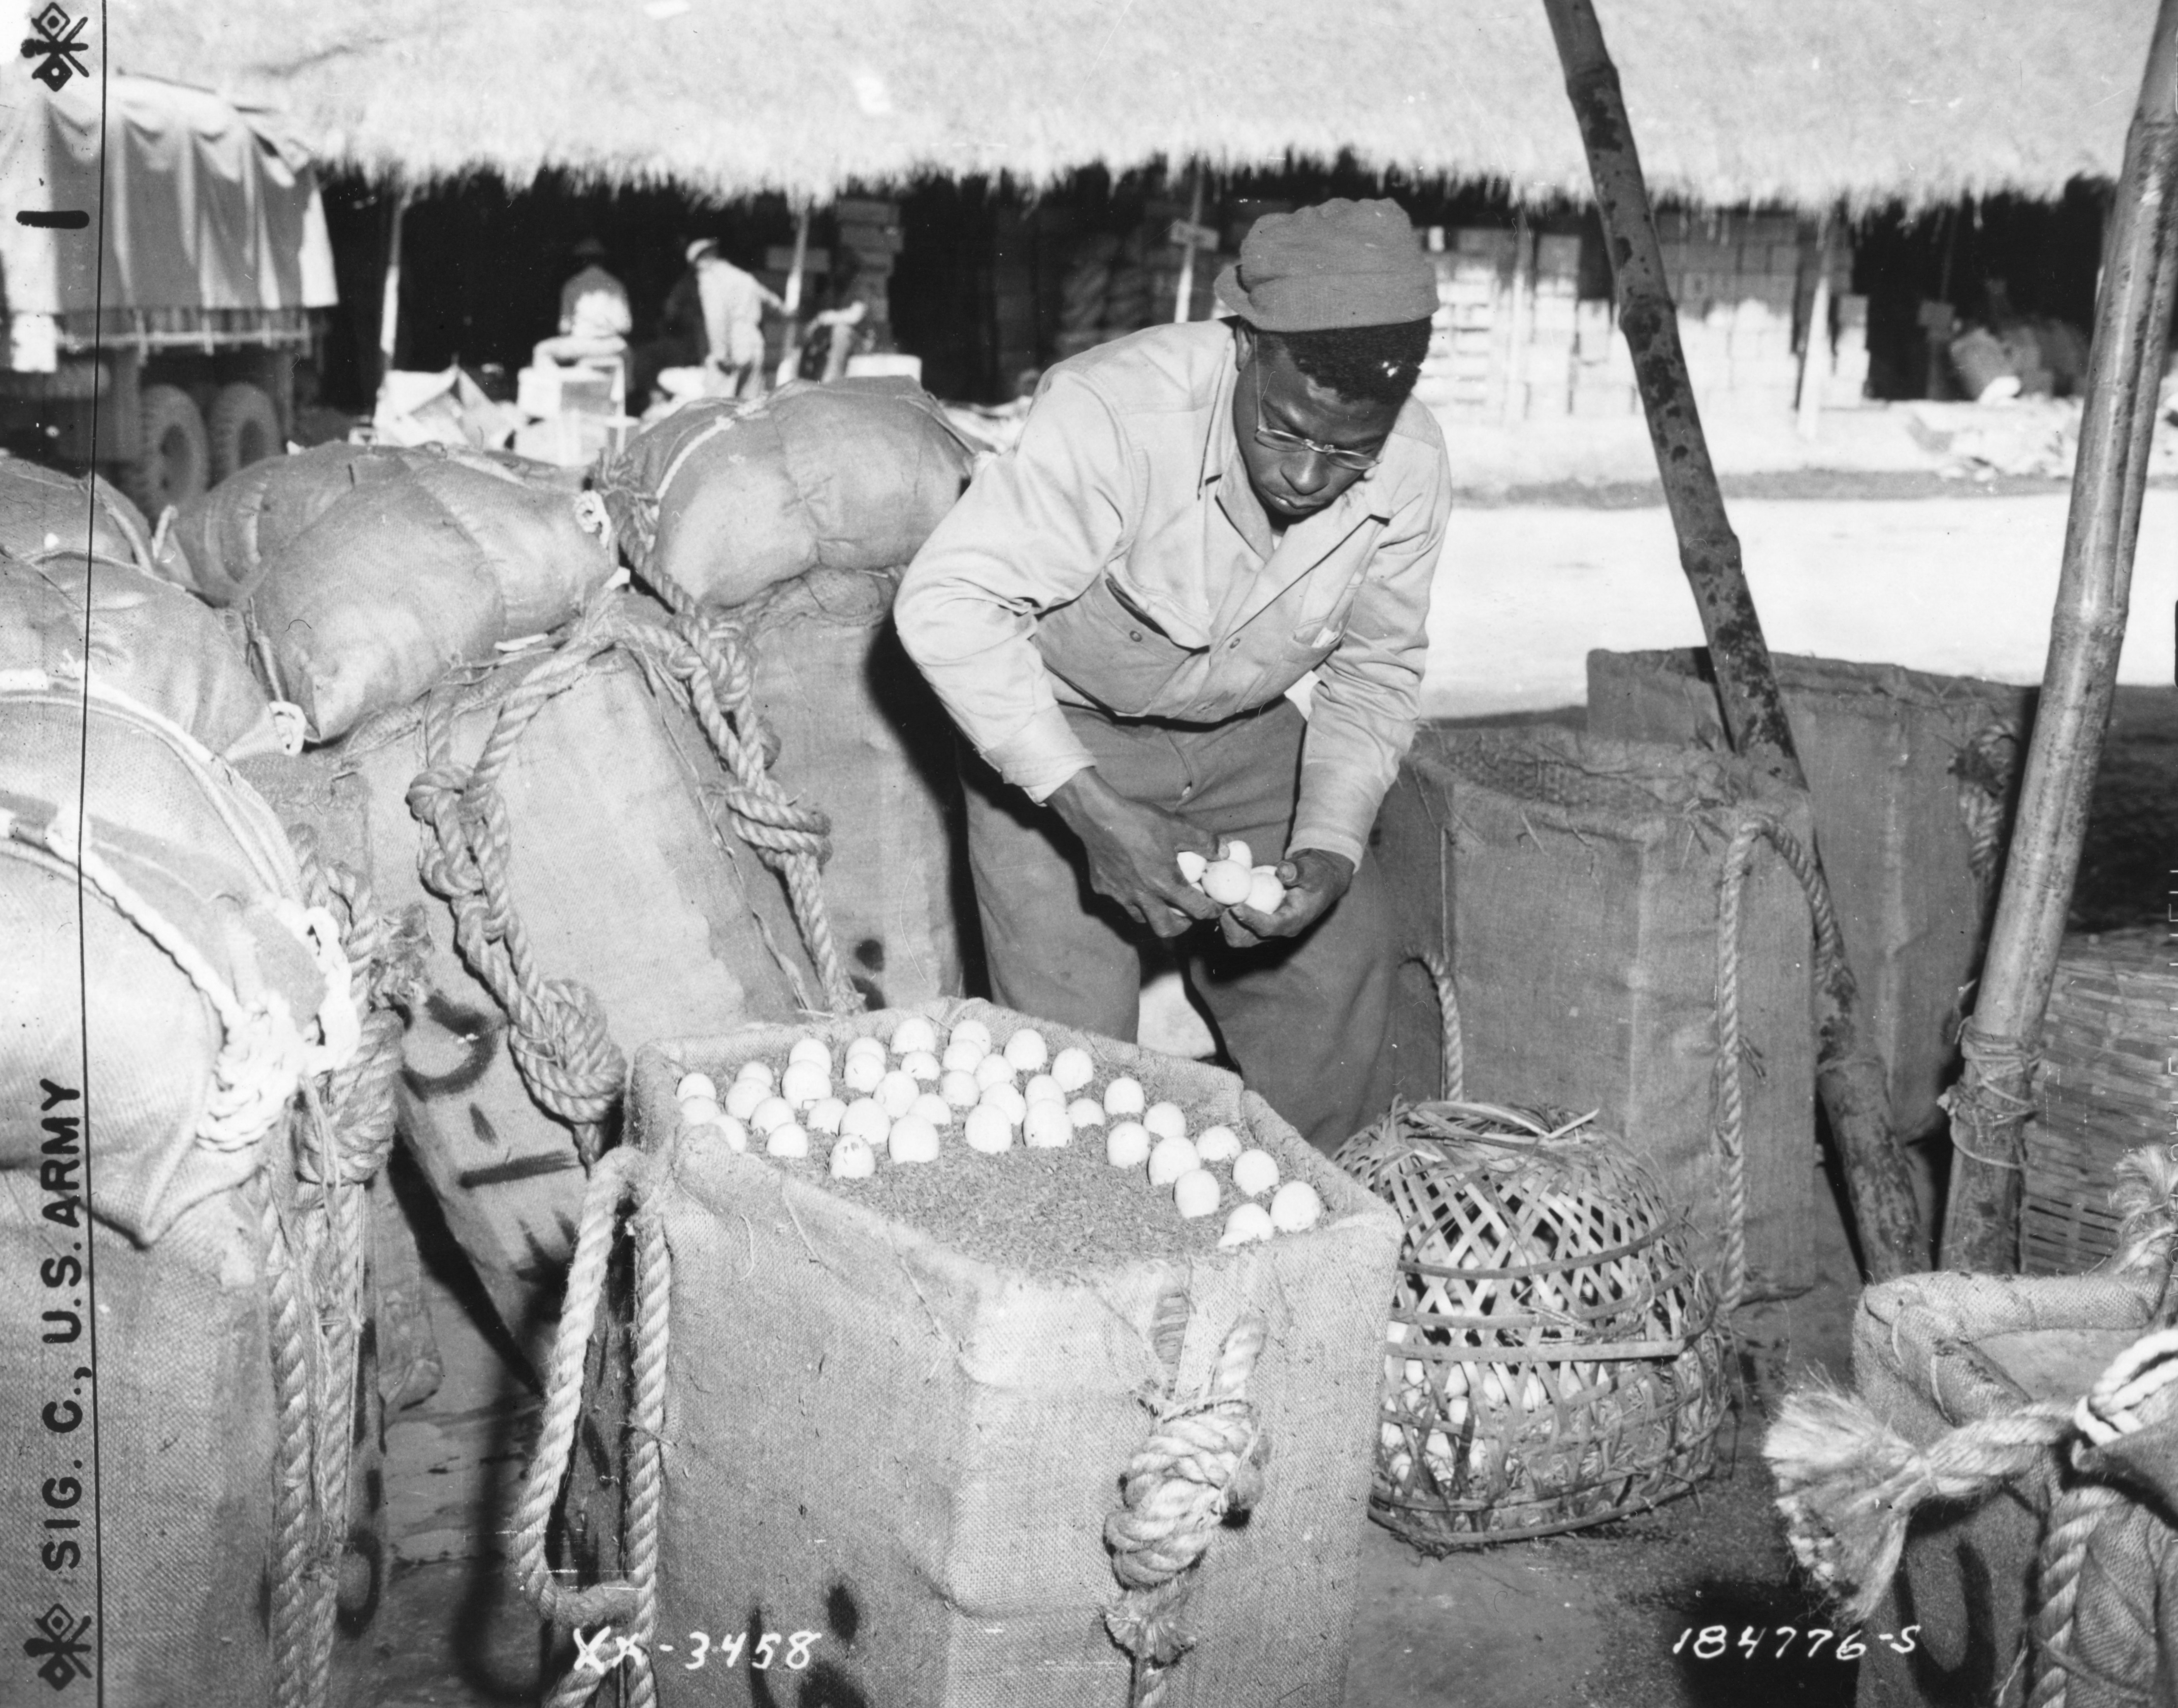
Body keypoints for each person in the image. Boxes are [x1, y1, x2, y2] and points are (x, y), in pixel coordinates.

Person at [895, 198, 1449, 1154]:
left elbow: (1374, 672)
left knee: (1342, 953)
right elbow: (945, 603)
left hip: (1242, 730)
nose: (1310, 478)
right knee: (1069, 1060)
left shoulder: (1411, 464)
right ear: (1243, 347)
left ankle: (1331, 1233)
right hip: (1065, 727)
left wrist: (1328, 841)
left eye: (1347, 451)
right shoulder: (1115, 412)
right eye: (1284, 431)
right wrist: (1093, 813)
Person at [690, 237, 786, 399]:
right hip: (755, 346)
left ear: (700, 262)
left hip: (733, 349)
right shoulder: (742, 276)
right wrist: (787, 312)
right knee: (750, 411)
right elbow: (772, 301)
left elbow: (716, 318)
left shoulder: (710, 279)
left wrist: (720, 353)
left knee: (715, 409)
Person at [532, 236, 632, 373]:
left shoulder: (572, 285)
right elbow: (626, 326)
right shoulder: (616, 284)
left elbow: (565, 328)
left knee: (542, 350)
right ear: (602, 260)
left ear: (582, 260)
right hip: (613, 346)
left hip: (582, 344)